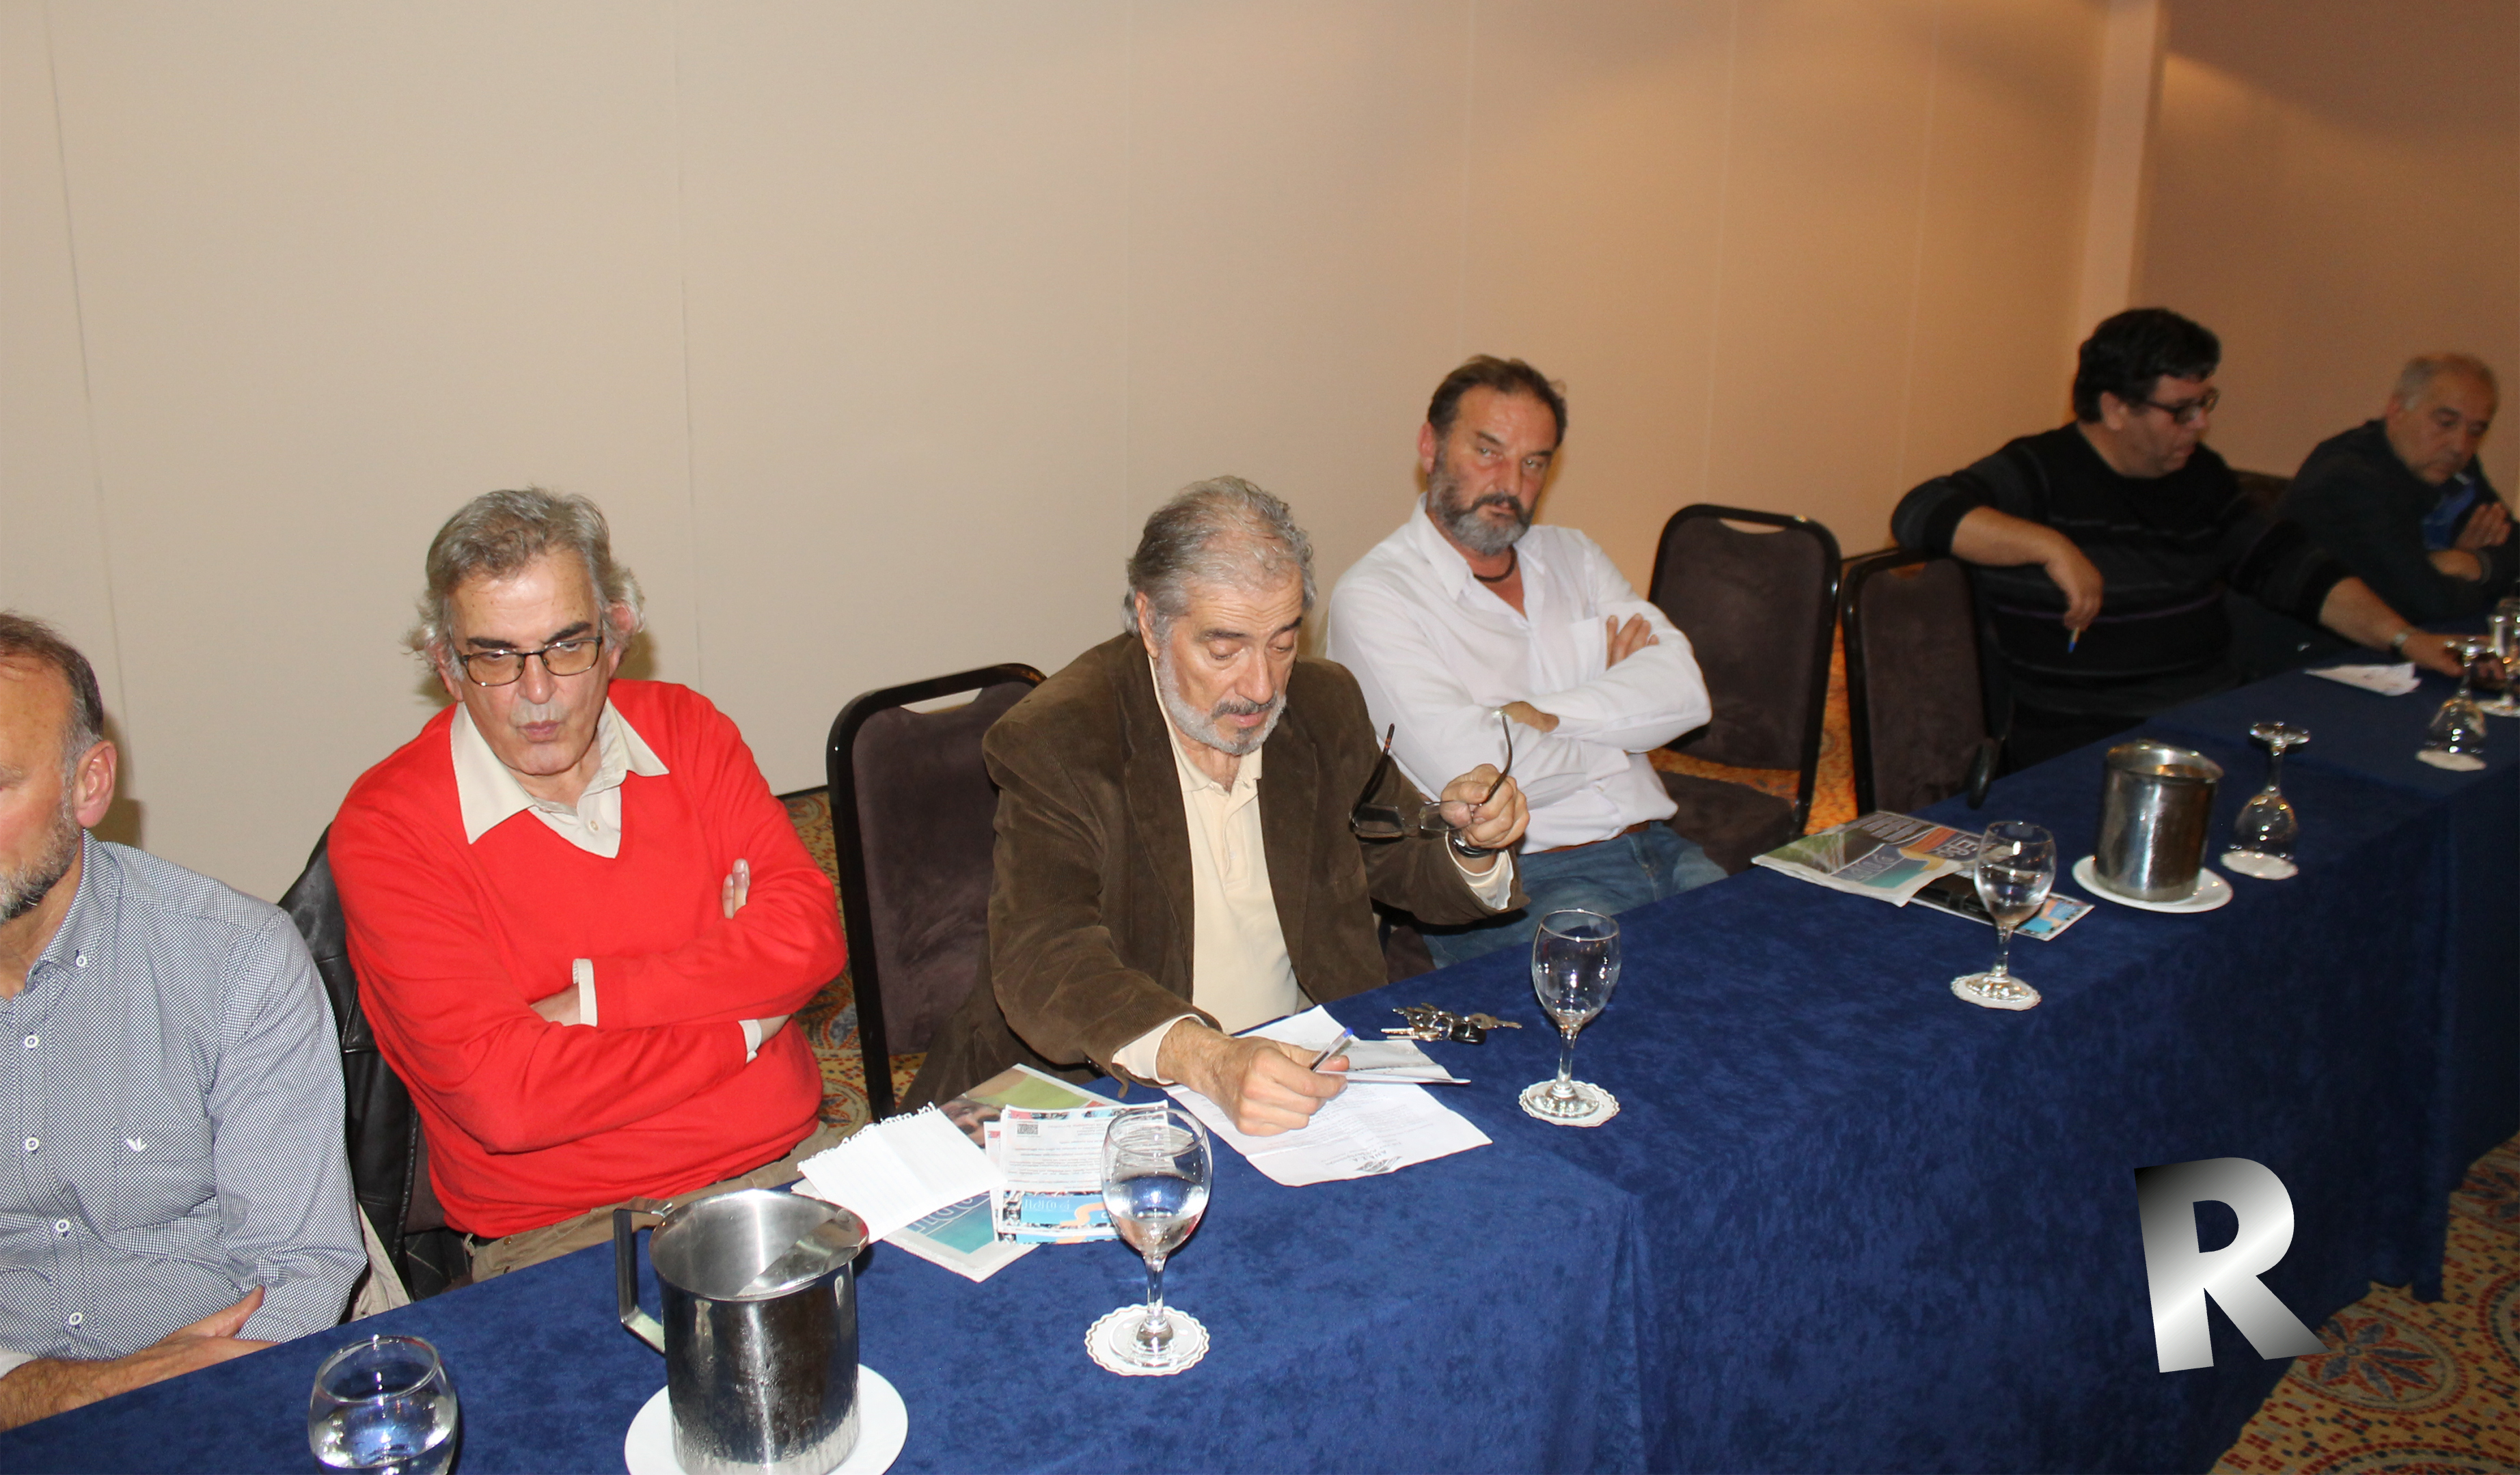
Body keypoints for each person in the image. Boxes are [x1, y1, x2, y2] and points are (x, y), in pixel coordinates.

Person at [327, 489, 847, 1279]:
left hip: (787, 1160)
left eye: (566, 645)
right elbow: (508, 1099)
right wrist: (747, 1020)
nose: (537, 692)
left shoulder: (686, 730)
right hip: (570, 1229)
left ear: (616, 637)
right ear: (446, 666)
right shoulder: (388, 826)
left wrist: (591, 1003)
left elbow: (807, 937)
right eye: (495, 656)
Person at [907, 478, 1530, 1133]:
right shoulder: (1060, 738)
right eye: (1225, 649)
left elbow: (1398, 857)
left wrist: (1471, 841)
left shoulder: (1322, 705)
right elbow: (1046, 957)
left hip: (1303, 1069)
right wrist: (1209, 1058)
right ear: (1151, 623)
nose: (1260, 686)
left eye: (1283, 643)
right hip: (1110, 1084)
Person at [0, 614, 362, 1431]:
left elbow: (300, 1271)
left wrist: (178, 1411)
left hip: (215, 1402)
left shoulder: (233, 961)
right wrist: (54, 1393)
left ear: (90, 784)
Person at [1891, 308, 2463, 770]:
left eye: (2205, 403)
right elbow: (1920, 511)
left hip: (2210, 721)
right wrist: (2050, 545)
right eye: (2181, 410)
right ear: (2116, 408)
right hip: (2089, 743)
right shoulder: (2039, 470)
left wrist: (2405, 638)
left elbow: (2294, 567)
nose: (2200, 424)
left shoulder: (2198, 475)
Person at [1328, 355, 1723, 966]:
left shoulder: (1576, 557)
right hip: (1518, 879)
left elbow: (1686, 693)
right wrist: (1620, 729)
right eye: (1489, 451)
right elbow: (1477, 781)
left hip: (1660, 845)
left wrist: (1541, 716)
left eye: (1534, 462)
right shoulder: (1377, 596)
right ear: (1430, 446)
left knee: (1770, 962)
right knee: (1658, 997)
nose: (1510, 482)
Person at [2281, 354, 2508, 623]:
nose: (2460, 446)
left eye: (2476, 431)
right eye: (2446, 423)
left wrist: (2475, 564)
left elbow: (2514, 546)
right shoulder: (2348, 480)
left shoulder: (2452, 467)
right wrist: (2475, 574)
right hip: (2314, 644)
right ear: (2397, 410)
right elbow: (2430, 602)